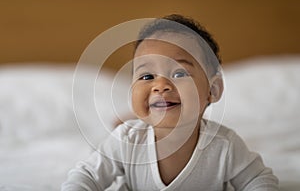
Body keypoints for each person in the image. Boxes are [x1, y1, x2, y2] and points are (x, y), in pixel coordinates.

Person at [62, 14, 279, 190]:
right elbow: (86, 176)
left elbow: (259, 180)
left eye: (179, 73)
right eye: (147, 76)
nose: (160, 85)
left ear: (212, 90)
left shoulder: (225, 147)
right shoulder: (126, 141)